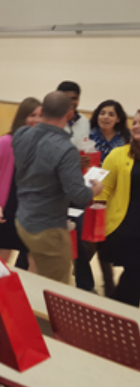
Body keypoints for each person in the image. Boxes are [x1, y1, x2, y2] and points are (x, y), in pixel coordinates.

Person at [13, 91, 103, 284]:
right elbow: (78, 195)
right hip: (48, 229)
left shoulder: (21, 134)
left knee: (34, 270)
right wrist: (96, 189)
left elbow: (38, 166)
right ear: (69, 114)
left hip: (23, 219)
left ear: (43, 110)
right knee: (56, 286)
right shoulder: (66, 149)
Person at [0, 97, 41, 271]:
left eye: (41, 116)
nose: (37, 120)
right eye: (32, 115)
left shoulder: (42, 144)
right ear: (22, 116)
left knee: (34, 258)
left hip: (31, 209)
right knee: (1, 258)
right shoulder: (6, 141)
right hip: (8, 206)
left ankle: (29, 295)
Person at [95, 110, 140, 306]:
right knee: (134, 274)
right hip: (126, 227)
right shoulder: (118, 154)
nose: (136, 126)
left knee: (134, 277)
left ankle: (117, 309)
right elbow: (103, 190)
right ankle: (117, 313)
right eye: (136, 122)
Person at [88, 100, 130, 296]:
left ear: (118, 119)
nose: (105, 117)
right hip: (92, 191)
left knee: (104, 239)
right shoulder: (88, 137)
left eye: (110, 114)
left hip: (119, 194)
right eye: (102, 112)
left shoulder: (126, 140)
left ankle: (107, 282)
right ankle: (86, 276)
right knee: (91, 240)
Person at [56, 81, 95, 291]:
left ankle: (85, 286)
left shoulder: (85, 123)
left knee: (79, 239)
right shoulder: (51, 121)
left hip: (76, 189)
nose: (70, 103)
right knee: (48, 237)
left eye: (74, 98)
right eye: (65, 98)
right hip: (54, 191)